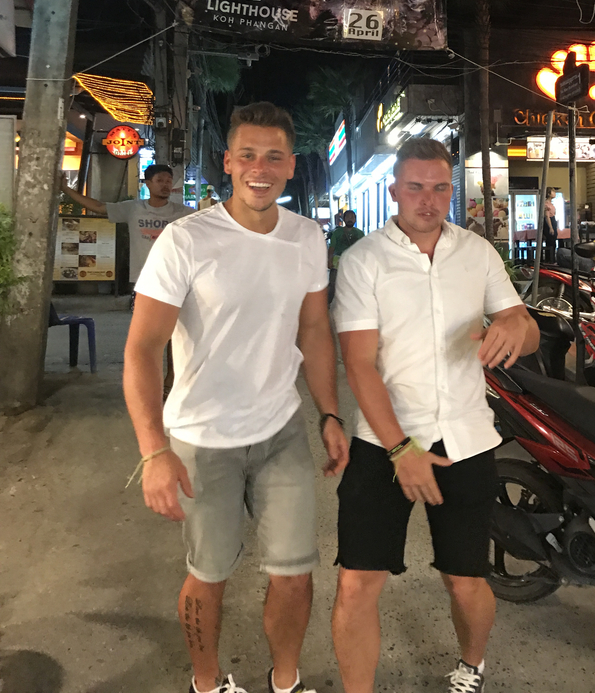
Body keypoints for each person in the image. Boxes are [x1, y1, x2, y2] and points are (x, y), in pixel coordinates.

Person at [123, 102, 350, 693]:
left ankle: (285, 678)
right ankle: (206, 681)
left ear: (290, 166)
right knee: (209, 575)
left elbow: (313, 330)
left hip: (280, 434)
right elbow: (142, 350)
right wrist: (153, 451)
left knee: (296, 574)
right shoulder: (186, 240)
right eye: (247, 154)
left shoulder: (306, 237)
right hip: (201, 442)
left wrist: (329, 412)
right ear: (228, 162)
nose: (260, 167)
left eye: (273, 156)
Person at [330, 137, 539, 693]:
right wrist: (403, 450)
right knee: (357, 582)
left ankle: (471, 668)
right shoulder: (363, 261)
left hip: (467, 439)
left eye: (440, 187)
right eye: (416, 187)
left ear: (453, 189)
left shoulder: (477, 252)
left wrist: (516, 326)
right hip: (383, 443)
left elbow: (524, 323)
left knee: (465, 578)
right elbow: (359, 365)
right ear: (395, 190)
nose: (428, 199)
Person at [61, 164, 193, 286]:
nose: (165, 185)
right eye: (159, 180)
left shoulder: (183, 212)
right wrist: (66, 189)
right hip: (142, 277)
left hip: (174, 278)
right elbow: (99, 207)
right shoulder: (133, 208)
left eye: (168, 181)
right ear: (148, 184)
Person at [327, 210, 364, 303]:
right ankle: (328, 306)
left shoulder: (360, 233)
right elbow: (332, 247)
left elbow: (364, 249)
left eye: (352, 217)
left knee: (354, 286)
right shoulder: (337, 233)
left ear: (355, 219)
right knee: (333, 285)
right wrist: (329, 260)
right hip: (337, 263)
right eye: (348, 217)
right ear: (344, 219)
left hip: (354, 263)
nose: (350, 219)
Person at [542, 187, 558, 264]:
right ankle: (549, 259)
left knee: (553, 241)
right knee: (550, 241)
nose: (554, 193)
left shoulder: (551, 203)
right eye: (553, 191)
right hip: (549, 222)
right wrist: (550, 227)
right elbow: (547, 216)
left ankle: (552, 258)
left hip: (553, 220)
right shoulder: (546, 204)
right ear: (548, 193)